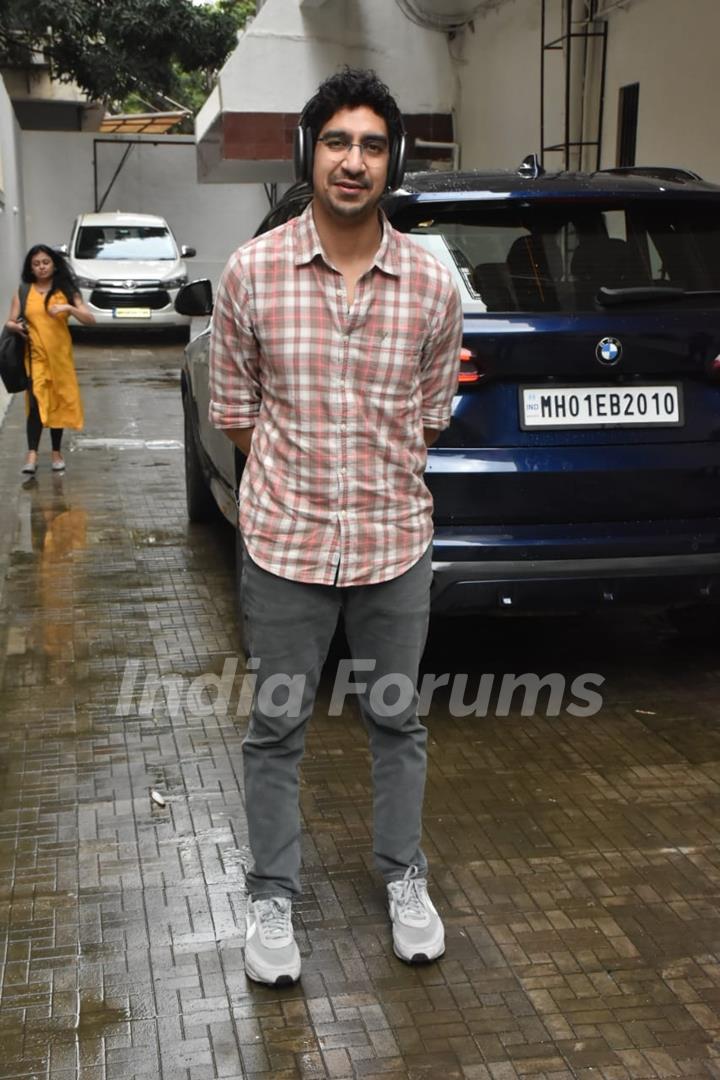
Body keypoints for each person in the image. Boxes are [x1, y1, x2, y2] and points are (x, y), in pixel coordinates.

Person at [209, 67, 463, 987]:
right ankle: (271, 898)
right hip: (286, 545)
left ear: (392, 159)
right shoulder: (254, 271)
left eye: (371, 144)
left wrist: (370, 479)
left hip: (395, 542)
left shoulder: (432, 280)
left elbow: (431, 413)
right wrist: (305, 483)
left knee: (398, 722)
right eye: (336, 142)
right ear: (308, 153)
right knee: (276, 729)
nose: (353, 161)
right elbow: (238, 412)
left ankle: (404, 878)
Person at [5, 244, 95, 474]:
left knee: (58, 404)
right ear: (30, 268)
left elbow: (89, 319)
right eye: (36, 264)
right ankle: (32, 455)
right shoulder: (24, 291)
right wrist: (15, 327)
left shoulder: (66, 290)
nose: (41, 267)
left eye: (45, 262)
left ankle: (56, 452)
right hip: (34, 357)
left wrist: (68, 307)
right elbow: (10, 321)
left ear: (54, 265)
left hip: (61, 359)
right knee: (35, 403)